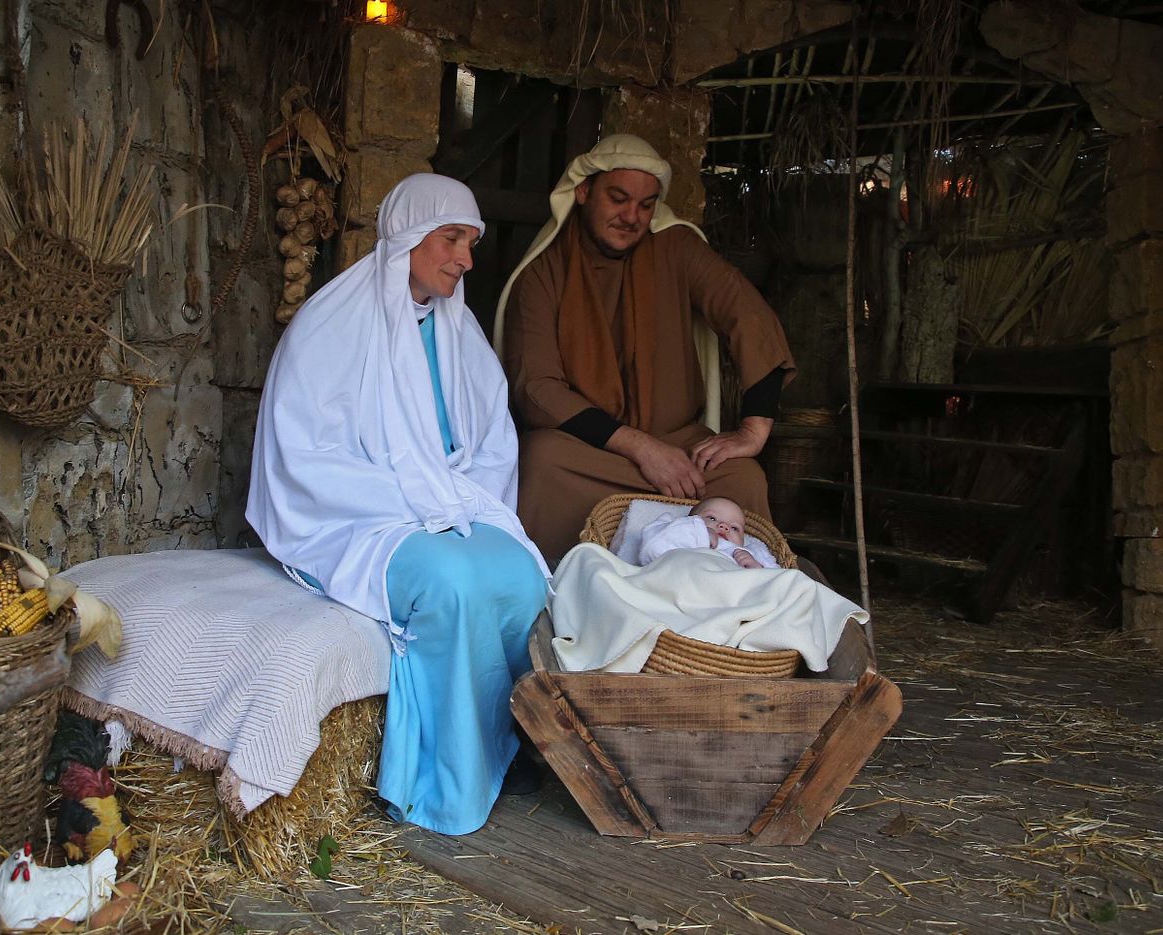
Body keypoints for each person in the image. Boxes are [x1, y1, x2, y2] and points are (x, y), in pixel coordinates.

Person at [247, 173, 550, 837]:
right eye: (452, 238)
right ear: (409, 236)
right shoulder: (330, 324)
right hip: (361, 514)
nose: (466, 257)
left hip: (447, 504)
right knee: (453, 581)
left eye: (470, 242)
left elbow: (491, 441)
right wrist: (414, 497)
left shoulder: (460, 329)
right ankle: (448, 779)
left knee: (524, 576)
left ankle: (508, 745)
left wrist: (451, 494)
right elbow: (307, 453)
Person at [495, 134, 797, 565]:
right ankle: (560, 603)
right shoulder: (545, 272)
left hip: (682, 450)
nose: (631, 216)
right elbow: (538, 388)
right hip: (590, 455)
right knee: (542, 460)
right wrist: (641, 448)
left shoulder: (677, 248)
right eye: (618, 199)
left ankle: (730, 615)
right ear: (583, 192)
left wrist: (754, 429)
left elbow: (748, 314)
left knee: (742, 477)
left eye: (646, 204)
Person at [635, 496, 765, 568]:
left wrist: (755, 568)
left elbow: (770, 582)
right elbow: (652, 549)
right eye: (712, 518)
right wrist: (700, 534)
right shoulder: (683, 532)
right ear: (690, 520)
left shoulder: (750, 554)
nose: (724, 526)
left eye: (735, 528)